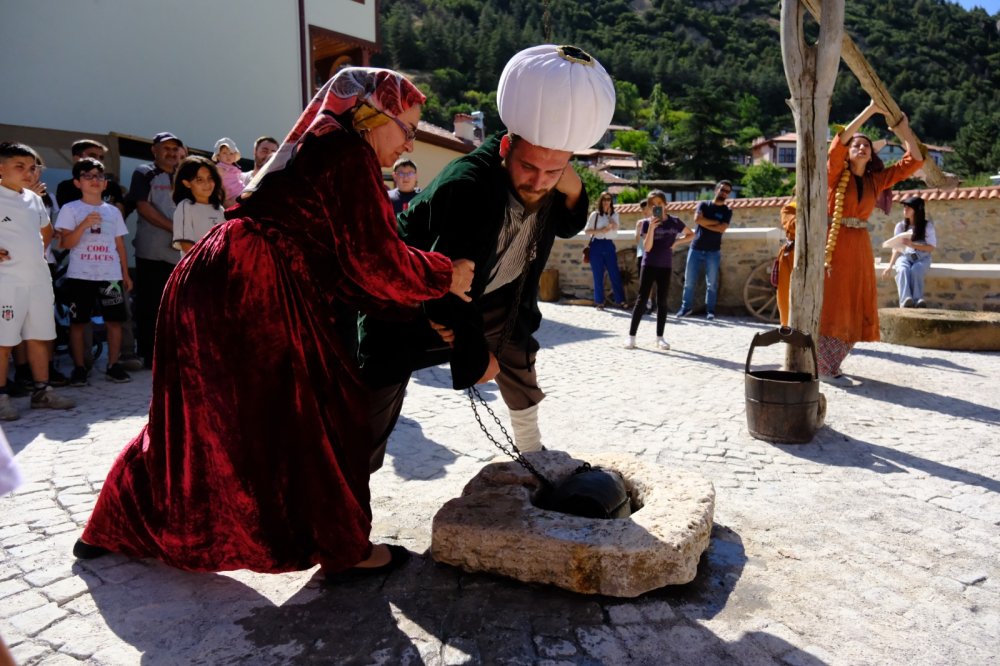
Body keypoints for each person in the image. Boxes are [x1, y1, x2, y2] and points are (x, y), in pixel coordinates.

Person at [73, 68, 475, 578]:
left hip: (211, 274)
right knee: (319, 414)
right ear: (374, 114)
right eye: (408, 128)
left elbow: (345, 265)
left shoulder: (321, 146)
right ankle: (342, 547)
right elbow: (374, 259)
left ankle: (111, 524)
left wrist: (417, 305)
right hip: (256, 286)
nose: (410, 143)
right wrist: (444, 274)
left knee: (190, 418)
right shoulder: (349, 153)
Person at [360, 44, 615, 462]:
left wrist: (571, 185)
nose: (538, 183)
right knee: (374, 394)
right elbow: (445, 284)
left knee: (517, 346)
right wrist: (475, 357)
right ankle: (351, 482)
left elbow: (568, 224)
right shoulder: (469, 186)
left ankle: (531, 452)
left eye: (553, 172)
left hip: (494, 293)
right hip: (408, 300)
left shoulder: (553, 179)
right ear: (504, 147)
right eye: (528, 168)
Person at [817, 100, 923, 386]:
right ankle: (823, 365)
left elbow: (914, 160)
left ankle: (832, 362)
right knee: (836, 298)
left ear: (872, 154)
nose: (862, 147)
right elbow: (838, 143)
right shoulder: (835, 174)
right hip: (835, 241)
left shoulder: (876, 181)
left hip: (860, 244)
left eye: (866, 146)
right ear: (849, 152)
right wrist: (870, 111)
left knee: (857, 298)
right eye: (856, 145)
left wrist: (902, 128)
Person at [0, 142, 76, 421]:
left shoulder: (34, 199)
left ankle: (42, 391)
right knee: (3, 341)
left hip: (38, 279)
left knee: (40, 336)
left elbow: (47, 230)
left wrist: (34, 255)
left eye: (32, 167)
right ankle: (2, 397)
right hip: (6, 282)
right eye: (19, 166)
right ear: (1, 168)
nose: (28, 173)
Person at [54, 158, 133, 385]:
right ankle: (80, 367)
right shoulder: (70, 209)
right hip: (80, 275)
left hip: (110, 276)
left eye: (99, 176)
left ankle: (113, 365)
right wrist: (83, 225)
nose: (94, 180)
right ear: (77, 183)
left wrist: (125, 274)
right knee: (78, 323)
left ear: (105, 183)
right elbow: (65, 243)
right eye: (87, 176)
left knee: (114, 321)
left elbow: (119, 245)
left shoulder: (113, 211)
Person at [129, 131, 184, 369]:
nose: (171, 153)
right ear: (154, 150)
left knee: (178, 305)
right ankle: (149, 354)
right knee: (151, 304)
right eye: (166, 148)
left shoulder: (184, 174)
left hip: (180, 254)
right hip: (151, 252)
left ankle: (175, 352)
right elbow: (142, 206)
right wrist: (175, 229)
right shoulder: (144, 172)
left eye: (174, 149)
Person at [625, 190, 694, 350]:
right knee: (642, 300)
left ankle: (660, 338)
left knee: (662, 301)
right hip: (649, 265)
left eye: (659, 203)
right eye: (653, 204)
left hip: (665, 266)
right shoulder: (646, 223)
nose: (656, 207)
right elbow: (647, 247)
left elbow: (691, 234)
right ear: (650, 207)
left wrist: (676, 243)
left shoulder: (675, 222)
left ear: (665, 204)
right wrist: (651, 229)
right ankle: (631, 337)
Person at [678, 180, 732, 320]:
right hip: (696, 248)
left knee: (712, 283)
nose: (724, 193)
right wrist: (715, 222)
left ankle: (710, 311)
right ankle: (685, 308)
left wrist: (706, 222)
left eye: (727, 191)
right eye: (722, 190)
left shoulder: (727, 211)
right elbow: (697, 220)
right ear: (716, 190)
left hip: (713, 251)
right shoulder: (703, 205)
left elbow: (722, 229)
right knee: (689, 281)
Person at [882, 195, 935, 308]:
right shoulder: (900, 226)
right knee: (902, 269)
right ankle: (905, 300)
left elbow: (931, 248)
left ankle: (918, 299)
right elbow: (896, 248)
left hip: (922, 258)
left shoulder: (927, 226)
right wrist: (890, 266)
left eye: (909, 207)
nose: (905, 210)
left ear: (917, 210)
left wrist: (912, 245)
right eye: (904, 207)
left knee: (917, 269)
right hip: (905, 257)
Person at [55, 140, 127, 217]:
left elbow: (119, 217)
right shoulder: (65, 187)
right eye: (93, 156)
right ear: (77, 158)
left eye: (101, 157)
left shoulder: (112, 187)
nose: (98, 160)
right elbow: (67, 218)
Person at [171, 156, 225, 254]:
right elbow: (186, 244)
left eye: (210, 178)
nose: (207, 183)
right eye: (199, 179)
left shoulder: (220, 209)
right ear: (187, 183)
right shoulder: (185, 207)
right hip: (197, 263)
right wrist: (207, 261)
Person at [584, 192, 626, 310]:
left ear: (611, 201)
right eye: (604, 199)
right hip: (596, 245)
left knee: (614, 273)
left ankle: (620, 300)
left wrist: (608, 216)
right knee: (598, 275)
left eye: (608, 199)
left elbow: (616, 227)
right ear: (601, 201)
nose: (606, 201)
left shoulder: (615, 215)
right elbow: (587, 231)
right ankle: (599, 302)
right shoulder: (595, 215)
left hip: (609, 245)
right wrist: (601, 231)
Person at [212, 137, 245, 207]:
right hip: (231, 197)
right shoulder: (220, 168)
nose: (228, 156)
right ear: (218, 156)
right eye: (224, 153)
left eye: (231, 153)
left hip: (240, 192)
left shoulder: (233, 167)